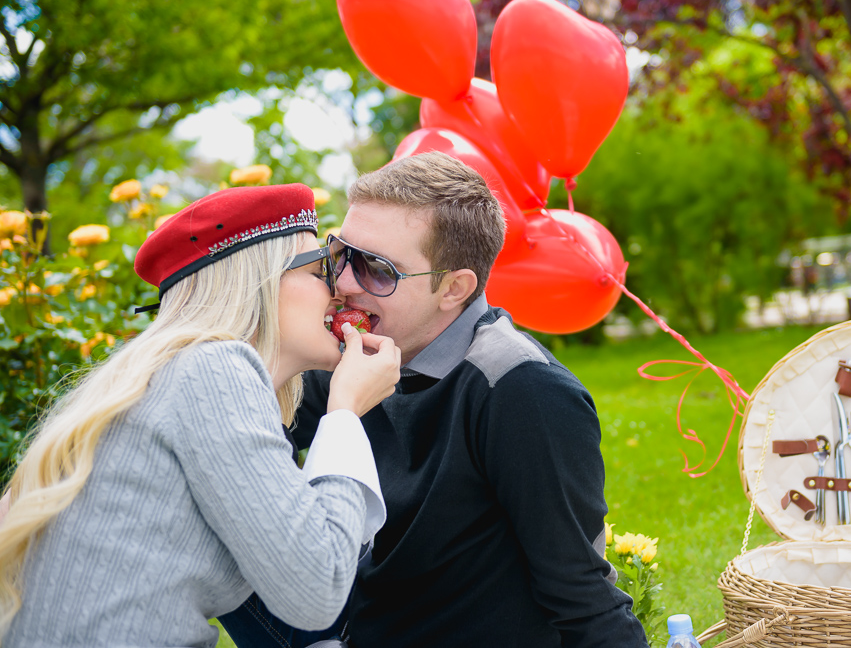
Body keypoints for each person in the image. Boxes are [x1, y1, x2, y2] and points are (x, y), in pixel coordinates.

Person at [220, 152, 647, 647]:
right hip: (353, 620)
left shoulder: (521, 390)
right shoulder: (357, 353)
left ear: (454, 288)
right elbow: (239, 453)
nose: (345, 283)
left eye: (377, 270)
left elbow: (580, 591)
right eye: (340, 255)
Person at [0, 183, 401, 647]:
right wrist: (345, 413)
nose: (340, 291)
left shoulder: (174, 372)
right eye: (319, 270)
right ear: (258, 283)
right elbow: (317, 589)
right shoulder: (215, 368)